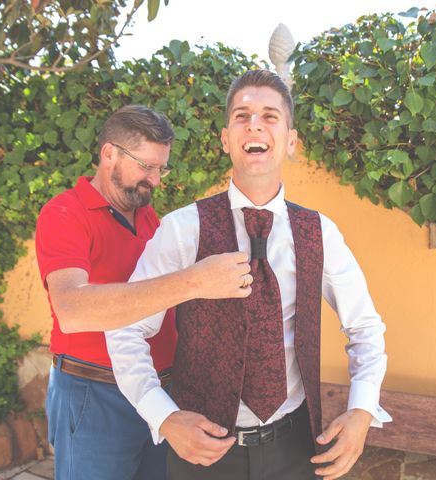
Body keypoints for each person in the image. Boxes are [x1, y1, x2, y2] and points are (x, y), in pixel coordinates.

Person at [106, 71, 391, 480]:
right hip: (201, 453)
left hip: (297, 448)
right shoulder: (182, 229)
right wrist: (164, 417)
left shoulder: (319, 233)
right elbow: (125, 328)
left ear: (291, 141)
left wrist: (362, 411)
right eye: (242, 115)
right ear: (226, 139)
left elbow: (365, 328)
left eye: (270, 116)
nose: (254, 123)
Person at [35, 105, 253, 480]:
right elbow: (71, 310)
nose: (155, 180)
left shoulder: (150, 220)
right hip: (94, 394)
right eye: (146, 167)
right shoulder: (65, 213)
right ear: (109, 155)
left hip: (157, 394)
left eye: (161, 168)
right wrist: (194, 280)